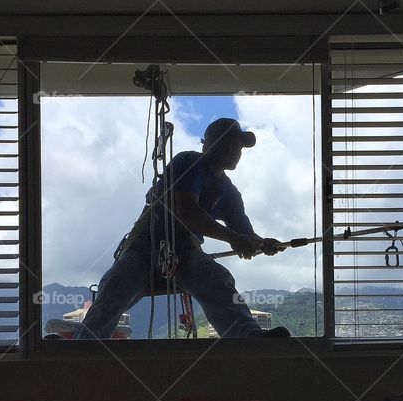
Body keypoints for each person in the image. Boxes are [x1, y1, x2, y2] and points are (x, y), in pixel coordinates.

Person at [74, 117, 291, 339]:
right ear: (208, 144)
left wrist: (262, 243)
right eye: (229, 143)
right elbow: (187, 212)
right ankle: (84, 346)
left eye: (238, 145)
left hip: (184, 253)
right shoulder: (189, 162)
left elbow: (245, 235)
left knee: (216, 280)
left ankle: (249, 337)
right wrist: (235, 238)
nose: (236, 150)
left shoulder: (230, 194)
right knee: (114, 289)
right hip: (146, 246)